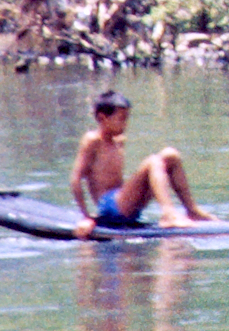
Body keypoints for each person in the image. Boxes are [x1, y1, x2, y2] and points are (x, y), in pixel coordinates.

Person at [69, 89, 213, 236]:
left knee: (171, 155)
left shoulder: (119, 141)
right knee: (153, 161)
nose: (125, 124)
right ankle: (168, 215)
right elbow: (75, 180)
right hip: (109, 207)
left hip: (125, 203)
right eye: (121, 119)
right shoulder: (93, 140)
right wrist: (87, 217)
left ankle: (192, 210)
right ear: (102, 118)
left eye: (127, 118)